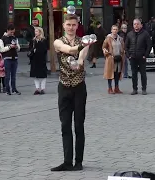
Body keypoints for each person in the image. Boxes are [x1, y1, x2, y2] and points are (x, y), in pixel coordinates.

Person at [51, 13, 93, 172]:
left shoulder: (84, 42)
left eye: (74, 25)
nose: (71, 28)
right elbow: (68, 49)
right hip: (63, 87)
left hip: (79, 87)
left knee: (79, 125)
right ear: (63, 26)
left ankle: (78, 162)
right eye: (68, 25)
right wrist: (83, 45)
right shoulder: (57, 41)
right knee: (65, 125)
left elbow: (80, 61)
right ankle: (67, 161)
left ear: (77, 26)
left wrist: (80, 56)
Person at [125, 19, 152, 95]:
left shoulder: (145, 34)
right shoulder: (129, 34)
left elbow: (149, 45)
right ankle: (134, 89)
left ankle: (144, 89)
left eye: (137, 24)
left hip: (141, 57)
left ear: (141, 25)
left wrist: (145, 55)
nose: (136, 25)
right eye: (134, 24)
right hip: (132, 57)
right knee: (134, 74)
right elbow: (126, 46)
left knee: (143, 73)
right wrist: (128, 55)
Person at [0, 24, 21, 95]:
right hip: (7, 58)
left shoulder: (14, 38)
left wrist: (17, 47)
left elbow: (19, 48)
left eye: (13, 32)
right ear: (7, 30)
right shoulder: (2, 39)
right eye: (11, 32)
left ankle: (14, 89)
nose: (12, 34)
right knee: (7, 75)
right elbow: (1, 49)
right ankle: (7, 90)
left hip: (15, 58)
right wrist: (9, 47)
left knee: (13, 75)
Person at [103, 25, 125, 94]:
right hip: (111, 58)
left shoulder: (120, 39)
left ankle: (116, 87)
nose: (115, 31)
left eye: (116, 29)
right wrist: (107, 53)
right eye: (113, 29)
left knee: (117, 74)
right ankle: (109, 88)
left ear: (118, 30)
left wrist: (123, 54)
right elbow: (104, 47)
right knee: (110, 73)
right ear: (111, 30)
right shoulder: (108, 38)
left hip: (118, 58)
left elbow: (123, 47)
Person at [29, 27, 48, 95]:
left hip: (41, 59)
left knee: (43, 74)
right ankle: (37, 88)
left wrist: (38, 48)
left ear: (40, 32)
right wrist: (32, 51)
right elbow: (30, 48)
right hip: (34, 59)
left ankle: (42, 88)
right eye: (35, 31)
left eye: (37, 31)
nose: (35, 33)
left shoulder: (43, 40)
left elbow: (45, 49)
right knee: (35, 75)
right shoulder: (33, 40)